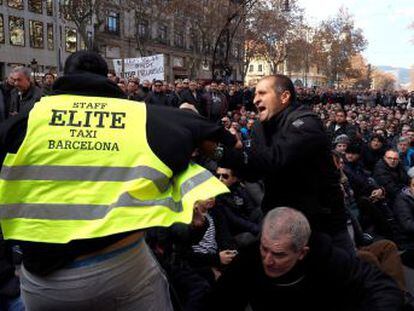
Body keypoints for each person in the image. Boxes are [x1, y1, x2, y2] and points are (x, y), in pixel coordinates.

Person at [0, 51, 233, 310]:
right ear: (105, 78)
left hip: (42, 279)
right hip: (120, 266)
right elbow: (208, 130)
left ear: (65, 76)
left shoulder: (25, 120)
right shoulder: (139, 116)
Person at [204, 74, 351, 253]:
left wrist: (218, 151)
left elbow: (275, 159)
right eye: (255, 94)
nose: (255, 99)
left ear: (284, 97)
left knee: (339, 276)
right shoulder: (259, 127)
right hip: (282, 221)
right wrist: (234, 149)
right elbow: (254, 172)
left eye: (262, 93)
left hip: (322, 223)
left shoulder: (306, 123)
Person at [208, 207, 403, 311]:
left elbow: (381, 287)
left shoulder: (327, 257)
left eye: (279, 254)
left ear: (302, 252)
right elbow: (216, 303)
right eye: (264, 249)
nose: (267, 260)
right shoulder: (248, 261)